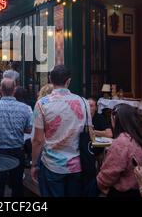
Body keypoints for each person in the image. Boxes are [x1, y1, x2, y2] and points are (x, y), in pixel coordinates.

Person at [31, 65, 92, 197]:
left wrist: (34, 164)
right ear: (68, 81)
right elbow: (90, 134)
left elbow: (38, 140)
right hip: (76, 164)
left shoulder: (42, 104)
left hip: (51, 164)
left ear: (50, 79)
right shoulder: (84, 102)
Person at [0, 79, 32, 197]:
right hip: (17, 151)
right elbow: (29, 129)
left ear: (1, 90)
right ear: (14, 89)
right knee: (17, 184)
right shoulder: (25, 108)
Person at [96, 104, 142, 197]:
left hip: (125, 192)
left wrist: (100, 183)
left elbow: (106, 178)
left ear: (115, 120)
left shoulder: (122, 142)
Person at [14, 86, 34, 168]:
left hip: (19, 137)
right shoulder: (28, 107)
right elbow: (30, 124)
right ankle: (29, 159)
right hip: (26, 136)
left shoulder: (14, 106)